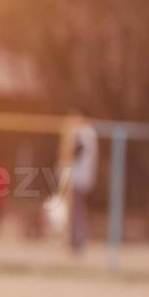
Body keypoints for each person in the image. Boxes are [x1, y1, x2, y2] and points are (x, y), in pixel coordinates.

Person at [59, 108, 99, 254]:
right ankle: (77, 241)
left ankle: (77, 242)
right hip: (82, 176)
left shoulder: (83, 133)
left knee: (76, 211)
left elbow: (75, 152)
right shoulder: (88, 132)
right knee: (78, 209)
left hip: (79, 177)